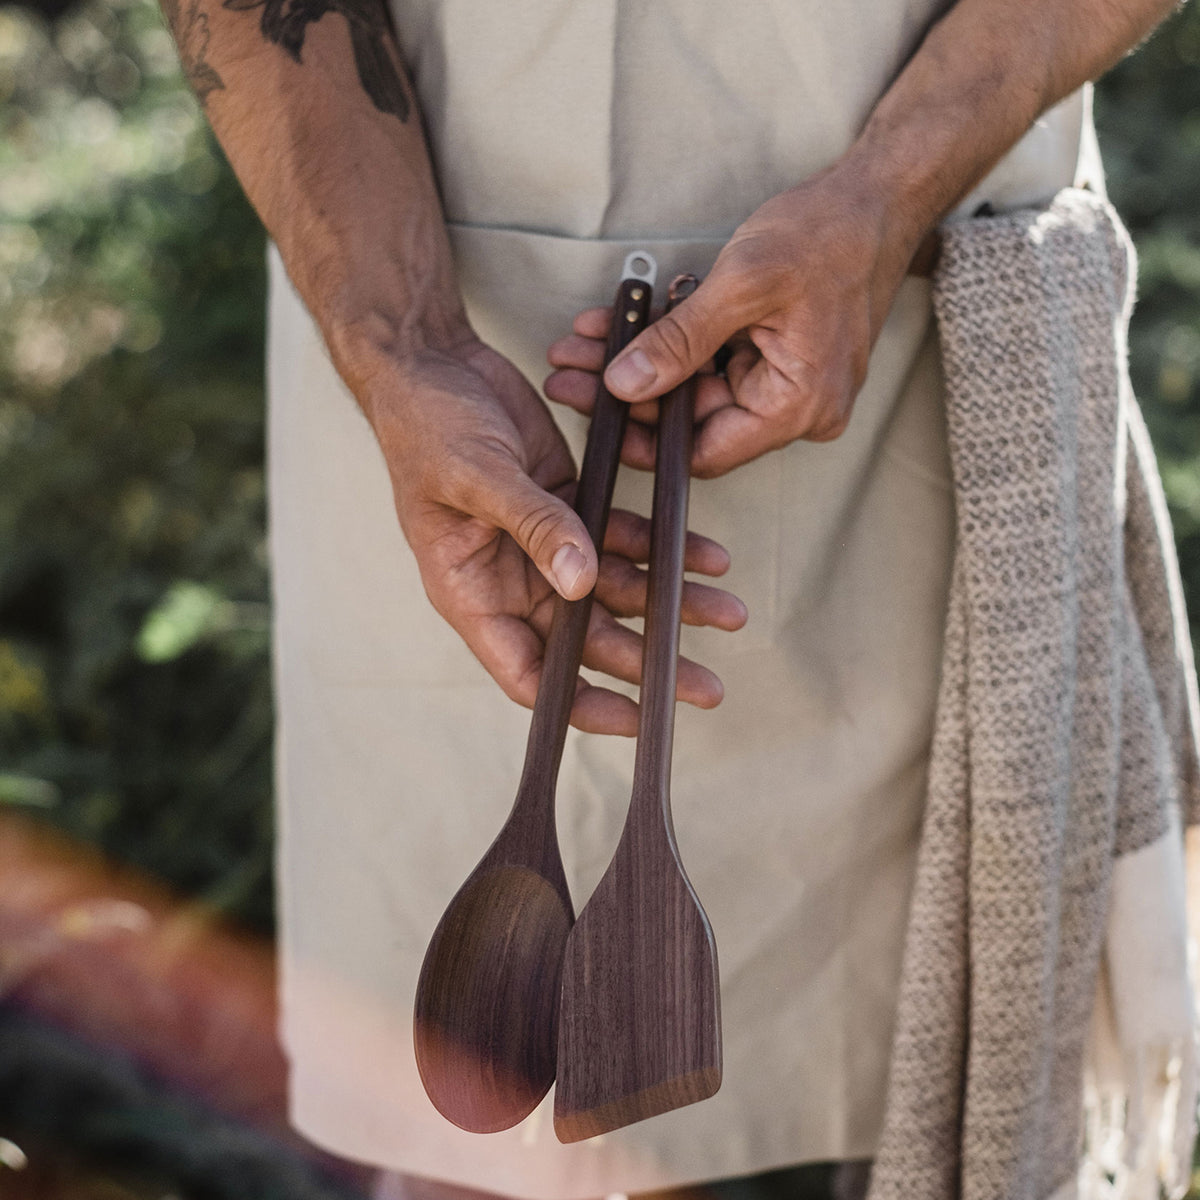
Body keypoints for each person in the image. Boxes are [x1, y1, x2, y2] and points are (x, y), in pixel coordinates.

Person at [158, 1, 1182, 1198]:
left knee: (926, 1070)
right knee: (472, 1157)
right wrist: (399, 339)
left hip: (913, 294)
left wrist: (886, 190)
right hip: (417, 324)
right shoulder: (403, 343)